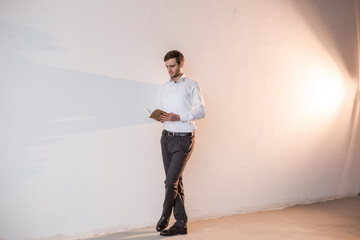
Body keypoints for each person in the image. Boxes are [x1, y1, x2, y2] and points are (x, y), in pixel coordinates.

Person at [155, 50, 206, 236]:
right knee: (176, 181)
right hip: (166, 137)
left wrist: (179, 117)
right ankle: (181, 223)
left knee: (170, 182)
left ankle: (164, 216)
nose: (169, 70)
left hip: (184, 138)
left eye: (172, 66)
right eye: (167, 66)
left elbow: (202, 111)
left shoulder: (191, 85)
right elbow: (166, 111)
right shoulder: (164, 87)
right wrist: (162, 117)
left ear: (181, 64)